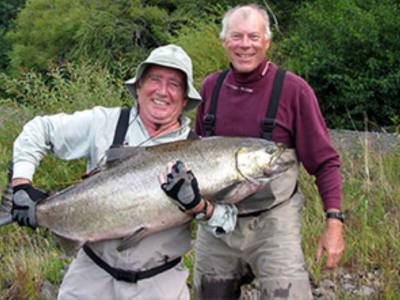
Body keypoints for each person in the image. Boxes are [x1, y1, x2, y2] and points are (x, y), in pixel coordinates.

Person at [10, 44, 235, 300]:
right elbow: (40, 129)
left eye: (174, 84)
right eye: (154, 79)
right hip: (90, 276)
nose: (162, 91)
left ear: (185, 99)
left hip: (159, 283)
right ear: (138, 87)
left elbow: (227, 223)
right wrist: (21, 185)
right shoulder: (103, 123)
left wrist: (197, 205)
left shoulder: (203, 153)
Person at [193, 4, 345, 299]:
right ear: (224, 41)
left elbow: (326, 162)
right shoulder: (210, 87)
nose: (245, 45)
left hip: (274, 223)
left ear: (267, 42)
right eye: (237, 36)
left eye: (253, 36)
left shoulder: (295, 91)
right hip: (216, 223)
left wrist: (334, 222)